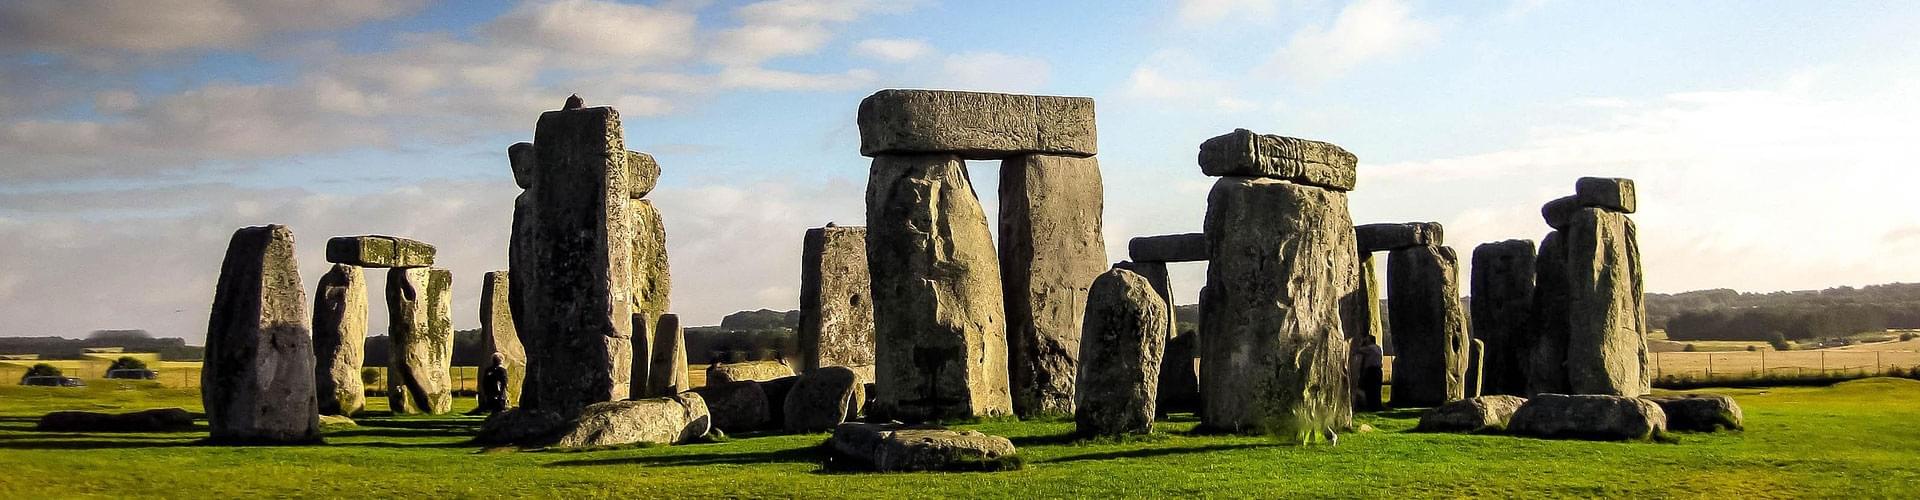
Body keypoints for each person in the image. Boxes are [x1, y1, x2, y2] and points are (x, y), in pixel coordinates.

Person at [1351, 336, 1385, 411]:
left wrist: (1361, 343)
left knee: (1370, 388)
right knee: (1376, 389)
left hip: (1372, 370)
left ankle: (1371, 406)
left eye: (1367, 339)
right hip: (1378, 370)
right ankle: (1377, 405)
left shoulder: (1370, 348)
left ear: (1370, 341)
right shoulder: (1378, 348)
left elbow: (1357, 350)